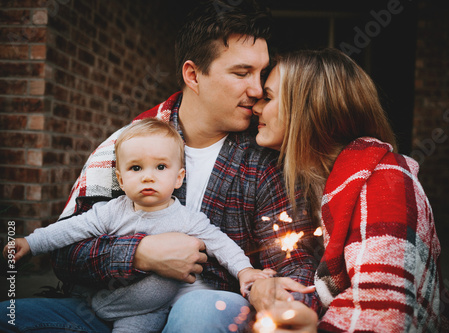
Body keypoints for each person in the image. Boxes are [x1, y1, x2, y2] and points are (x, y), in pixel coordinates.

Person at [0, 1, 320, 332]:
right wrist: (139, 254)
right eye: (241, 73)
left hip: (214, 310)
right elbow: (66, 255)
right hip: (115, 310)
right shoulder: (125, 145)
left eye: (261, 74)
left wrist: (281, 301)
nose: (256, 90)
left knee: (200, 311)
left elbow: (294, 260)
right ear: (193, 75)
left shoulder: (265, 158)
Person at [250, 48, 449, 332]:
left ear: (308, 107)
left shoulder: (386, 182)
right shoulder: (312, 184)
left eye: (268, 97)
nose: (256, 107)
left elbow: (385, 313)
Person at [3, 118, 276, 332]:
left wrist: (244, 271)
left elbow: (220, 243)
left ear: (178, 178)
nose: (148, 177)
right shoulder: (111, 211)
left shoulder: (186, 218)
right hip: (109, 300)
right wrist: (31, 242)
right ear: (121, 181)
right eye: (136, 168)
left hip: (148, 313)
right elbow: (71, 230)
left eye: (160, 167)